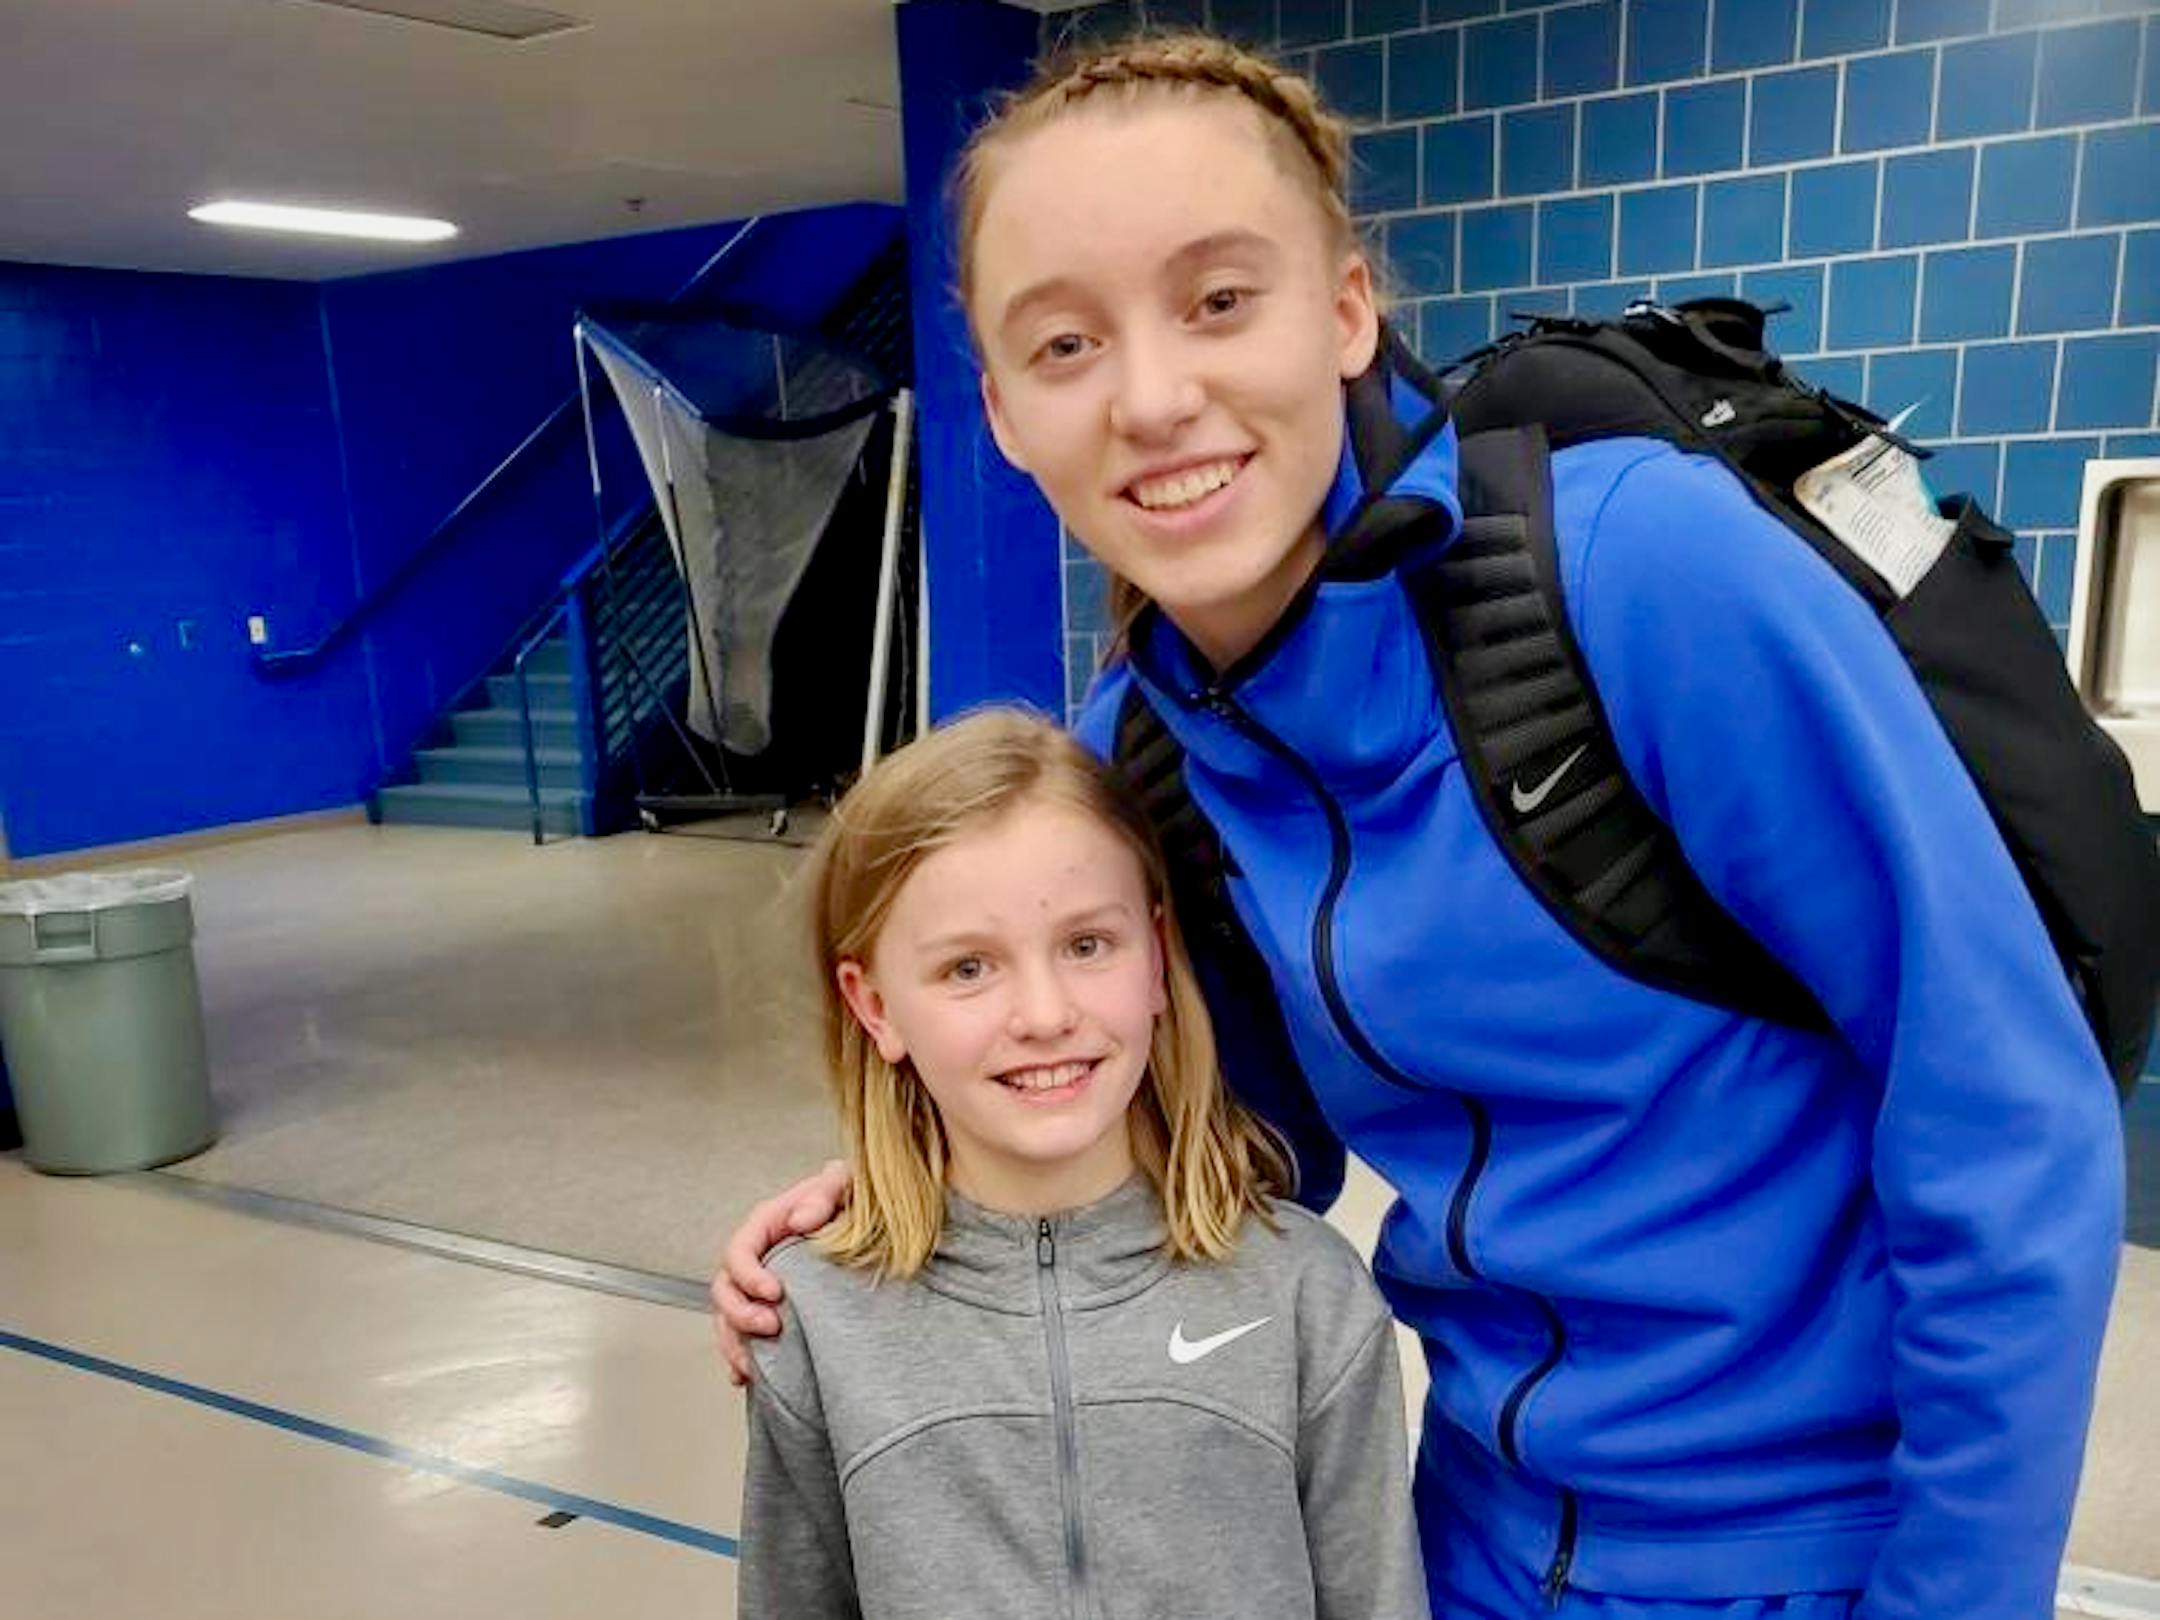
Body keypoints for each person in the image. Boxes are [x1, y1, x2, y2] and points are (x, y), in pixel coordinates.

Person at [716, 31, 2126, 1620]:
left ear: (1344, 308)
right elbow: (1221, 1154)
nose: (1155, 398)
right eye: (1063, 346)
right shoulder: (1147, 761)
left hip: (1808, 1562)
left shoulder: (1639, 583)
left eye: (1219, 301)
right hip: (1464, 1553)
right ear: (1000, 413)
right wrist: (905, 1199)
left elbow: (2007, 1126)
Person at [734, 707, 1427, 1620]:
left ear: (1154, 960)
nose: (1045, 1013)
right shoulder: (816, 1322)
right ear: (875, 1009)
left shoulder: (1305, 1293)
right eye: (968, 968)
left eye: (1087, 945)